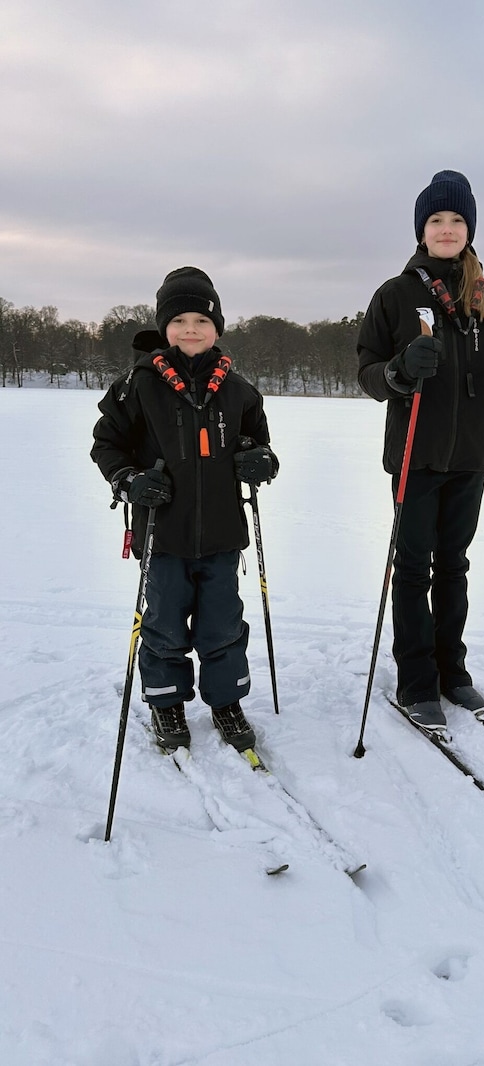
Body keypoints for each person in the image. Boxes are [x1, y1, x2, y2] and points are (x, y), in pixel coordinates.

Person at [357, 170, 484, 730]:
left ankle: (452, 673)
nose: (447, 229)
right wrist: (398, 372)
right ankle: (416, 680)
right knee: (413, 568)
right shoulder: (396, 295)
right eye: (436, 220)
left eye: (457, 220)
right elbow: (367, 370)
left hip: (470, 456)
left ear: (470, 228)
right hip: (415, 455)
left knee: (454, 566)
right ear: (422, 230)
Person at [91, 266, 279, 753]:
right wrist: (129, 480)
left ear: (217, 327)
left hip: (221, 535)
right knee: (164, 624)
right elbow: (106, 445)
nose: (190, 329)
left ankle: (226, 701)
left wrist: (261, 460)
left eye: (201, 319)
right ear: (164, 327)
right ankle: (166, 700)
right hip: (163, 534)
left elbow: (259, 443)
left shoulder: (238, 389)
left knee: (222, 624)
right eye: (179, 320)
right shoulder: (137, 385)